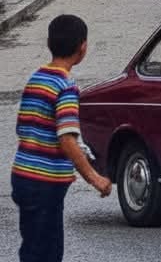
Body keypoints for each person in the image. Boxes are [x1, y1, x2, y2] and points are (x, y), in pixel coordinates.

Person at [11, 14, 112, 262]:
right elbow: (67, 139)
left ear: (49, 43)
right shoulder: (65, 87)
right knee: (47, 252)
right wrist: (95, 177)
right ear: (83, 47)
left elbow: (23, 127)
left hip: (23, 177)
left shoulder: (36, 79)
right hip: (45, 183)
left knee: (33, 247)